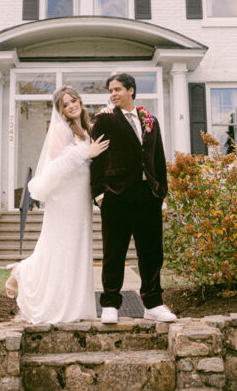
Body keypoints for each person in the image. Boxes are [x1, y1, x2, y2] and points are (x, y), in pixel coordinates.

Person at [5, 86, 109, 324]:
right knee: (58, 246)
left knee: (76, 249)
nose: (71, 105)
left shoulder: (87, 128)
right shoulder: (60, 130)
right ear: (60, 111)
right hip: (63, 198)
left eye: (73, 100)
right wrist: (85, 153)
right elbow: (55, 167)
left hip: (80, 197)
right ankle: (21, 272)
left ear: (79, 101)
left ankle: (74, 306)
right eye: (65, 104)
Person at [89, 73, 177, 324]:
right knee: (114, 251)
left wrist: (161, 192)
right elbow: (97, 159)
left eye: (117, 89)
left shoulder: (150, 120)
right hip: (116, 195)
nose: (112, 93)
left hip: (148, 194)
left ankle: (153, 304)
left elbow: (157, 158)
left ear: (131, 90)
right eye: (110, 90)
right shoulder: (104, 119)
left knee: (151, 251)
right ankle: (110, 304)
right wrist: (99, 194)